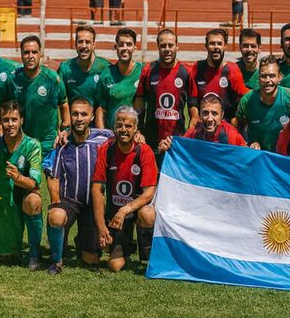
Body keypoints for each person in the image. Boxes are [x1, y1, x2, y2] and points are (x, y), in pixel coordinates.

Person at [45, 98, 113, 275]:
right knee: (56, 216)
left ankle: (81, 241)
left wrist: (138, 135)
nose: (79, 118)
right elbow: (53, 176)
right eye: (75, 114)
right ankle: (57, 260)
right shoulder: (62, 144)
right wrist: (56, 203)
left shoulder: (103, 138)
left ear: (91, 116)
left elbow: (125, 137)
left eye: (84, 114)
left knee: (91, 260)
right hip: (70, 202)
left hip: (93, 204)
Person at [91, 106, 158, 272]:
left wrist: (125, 209)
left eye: (128, 126)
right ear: (114, 127)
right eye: (119, 125)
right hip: (115, 214)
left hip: (134, 210)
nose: (123, 130)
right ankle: (126, 247)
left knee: (148, 214)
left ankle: (148, 259)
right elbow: (97, 189)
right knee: (115, 265)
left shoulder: (144, 151)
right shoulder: (106, 149)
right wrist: (101, 227)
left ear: (136, 128)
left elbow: (149, 192)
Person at [0, 101, 44, 270]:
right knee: (8, 255)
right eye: (6, 120)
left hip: (23, 193)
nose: (10, 124)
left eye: (14, 119)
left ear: (22, 120)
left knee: (34, 201)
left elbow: (35, 183)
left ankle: (34, 254)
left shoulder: (32, 145)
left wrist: (18, 178)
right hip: (3, 197)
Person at [135, 29, 190, 158]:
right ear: (158, 47)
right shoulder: (148, 70)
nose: (167, 49)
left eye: (170, 45)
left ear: (177, 46)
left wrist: (188, 136)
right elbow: (139, 104)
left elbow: (194, 109)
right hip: (150, 140)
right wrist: (138, 130)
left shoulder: (186, 73)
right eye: (163, 45)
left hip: (177, 140)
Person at [10, 36, 69, 154]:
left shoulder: (53, 79)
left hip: (48, 144)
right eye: (26, 52)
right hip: (21, 143)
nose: (30, 56)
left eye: (34, 52)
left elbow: (64, 104)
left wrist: (65, 130)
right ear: (21, 54)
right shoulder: (13, 78)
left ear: (40, 54)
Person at [188, 29, 249, 130]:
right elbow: (192, 101)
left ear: (225, 46)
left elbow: (243, 100)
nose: (216, 47)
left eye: (219, 44)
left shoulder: (232, 69)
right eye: (212, 43)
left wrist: (237, 119)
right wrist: (195, 115)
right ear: (206, 46)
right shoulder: (198, 68)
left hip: (227, 128)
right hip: (204, 127)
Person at [234, 55, 290, 151]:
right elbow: (237, 129)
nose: (267, 80)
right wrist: (248, 143)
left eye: (272, 76)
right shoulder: (247, 100)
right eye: (263, 76)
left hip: (285, 157)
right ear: (258, 78)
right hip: (259, 156)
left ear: (280, 77)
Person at [94, 29, 142, 128]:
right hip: (112, 133)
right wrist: (102, 134)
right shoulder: (106, 74)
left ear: (135, 48)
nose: (125, 48)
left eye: (129, 45)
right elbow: (100, 108)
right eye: (121, 44)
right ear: (116, 47)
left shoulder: (142, 72)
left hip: (136, 134)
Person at [161, 95, 248, 150]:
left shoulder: (230, 134)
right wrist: (167, 147)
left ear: (221, 116)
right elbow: (179, 149)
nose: (209, 119)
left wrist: (253, 148)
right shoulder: (194, 133)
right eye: (205, 113)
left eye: (214, 114)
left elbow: (247, 155)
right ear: (200, 114)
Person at [58, 25, 109, 107]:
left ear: (94, 45)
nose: (84, 46)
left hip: (98, 118)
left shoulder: (105, 68)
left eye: (88, 42)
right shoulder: (65, 68)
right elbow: (59, 99)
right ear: (75, 44)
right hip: (75, 117)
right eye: (80, 42)